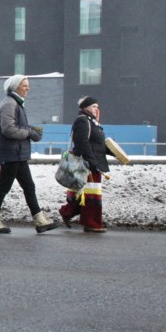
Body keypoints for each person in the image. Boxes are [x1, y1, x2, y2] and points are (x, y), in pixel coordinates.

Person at [0, 75, 61, 234]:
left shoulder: (16, 103)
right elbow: (8, 129)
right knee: (5, 186)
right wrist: (29, 133)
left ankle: (39, 220)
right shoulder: (9, 103)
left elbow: (16, 126)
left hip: (17, 154)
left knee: (27, 186)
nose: (28, 88)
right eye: (25, 85)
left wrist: (31, 129)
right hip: (12, 154)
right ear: (15, 87)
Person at [59, 96, 109, 233]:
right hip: (88, 163)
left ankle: (67, 212)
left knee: (85, 194)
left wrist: (111, 151)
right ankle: (92, 223)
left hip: (93, 161)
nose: (96, 109)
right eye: (94, 106)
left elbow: (96, 143)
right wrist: (91, 161)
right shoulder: (83, 121)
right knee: (91, 194)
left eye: (97, 107)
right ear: (85, 107)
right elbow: (82, 143)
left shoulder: (92, 122)